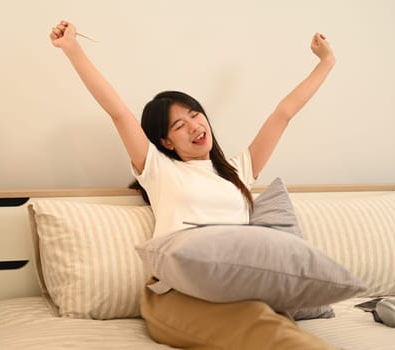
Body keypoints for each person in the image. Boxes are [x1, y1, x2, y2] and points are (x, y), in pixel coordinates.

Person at [50, 20, 338, 350]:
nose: (194, 126)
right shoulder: (158, 169)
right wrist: (73, 49)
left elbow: (284, 113)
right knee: (272, 336)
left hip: (239, 293)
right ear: (167, 142)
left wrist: (326, 62)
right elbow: (117, 111)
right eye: (179, 125)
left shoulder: (238, 169)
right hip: (178, 295)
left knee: (276, 329)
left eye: (195, 114)